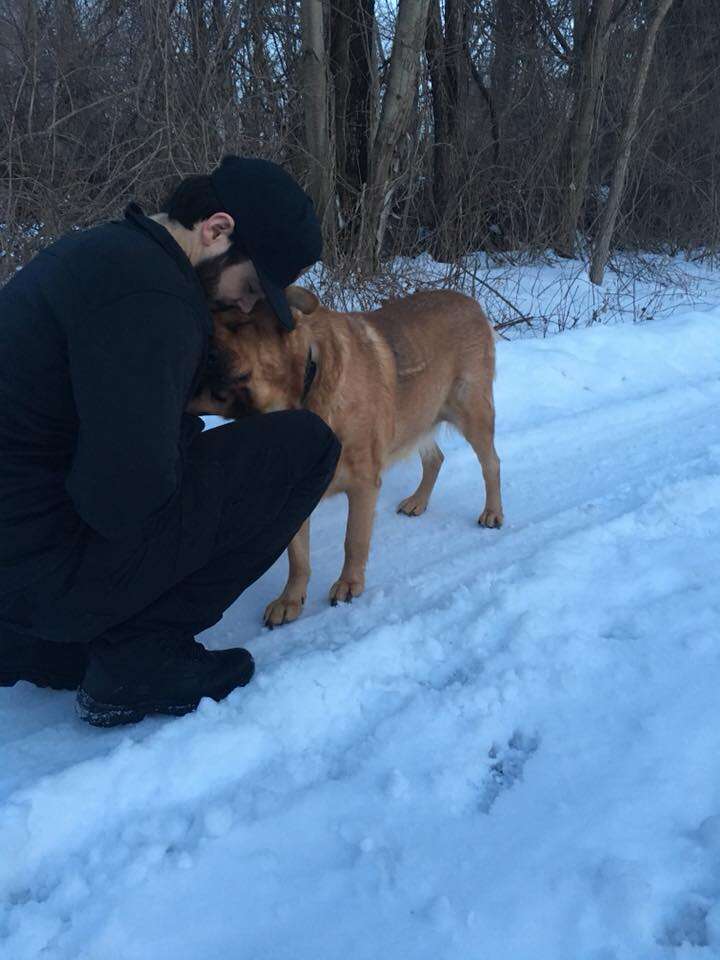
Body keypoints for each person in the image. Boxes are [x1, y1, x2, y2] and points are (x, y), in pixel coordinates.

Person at [0, 156, 341, 727]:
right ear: (216, 229)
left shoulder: (105, 254)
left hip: (20, 559)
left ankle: (54, 643)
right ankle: (138, 658)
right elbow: (123, 498)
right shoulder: (156, 302)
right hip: (40, 576)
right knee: (305, 445)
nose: (246, 307)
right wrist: (188, 425)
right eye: (252, 286)